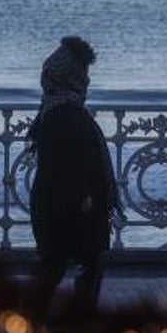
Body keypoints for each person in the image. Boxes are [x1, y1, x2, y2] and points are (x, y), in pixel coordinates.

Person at [27, 35, 120, 317]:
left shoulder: (52, 110)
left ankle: (37, 320)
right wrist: (87, 200)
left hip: (56, 204)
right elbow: (70, 167)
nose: (87, 80)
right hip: (75, 207)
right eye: (83, 73)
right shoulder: (66, 114)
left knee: (55, 265)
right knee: (85, 264)